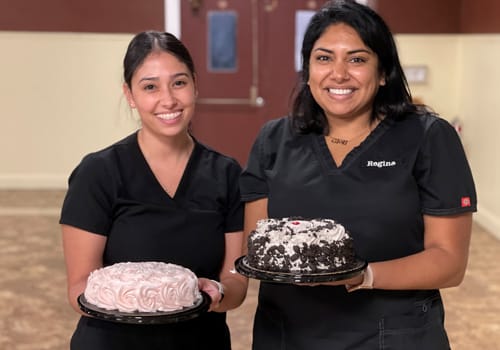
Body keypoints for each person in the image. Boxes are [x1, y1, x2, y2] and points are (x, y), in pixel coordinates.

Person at [239, 1, 477, 349]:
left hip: (391, 336)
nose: (339, 74)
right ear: (306, 70)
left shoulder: (427, 137)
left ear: (383, 73)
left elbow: (449, 262)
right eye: (323, 58)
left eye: (357, 59)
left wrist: (364, 275)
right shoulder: (273, 140)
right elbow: (258, 246)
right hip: (287, 334)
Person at [60, 31, 248, 350]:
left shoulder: (227, 174)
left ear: (195, 85)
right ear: (130, 95)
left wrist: (218, 291)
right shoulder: (98, 173)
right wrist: (137, 306)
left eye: (179, 82)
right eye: (150, 87)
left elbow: (236, 282)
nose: (168, 100)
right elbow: (79, 287)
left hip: (201, 342)